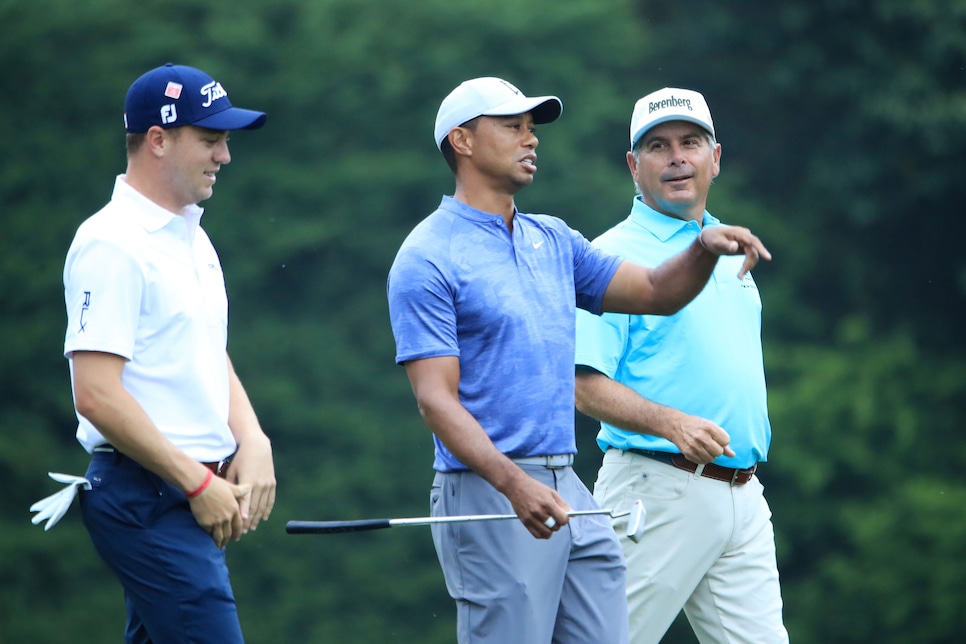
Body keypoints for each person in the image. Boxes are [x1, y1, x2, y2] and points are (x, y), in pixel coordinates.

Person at [386, 77, 771, 643]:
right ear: (463, 141)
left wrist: (701, 249)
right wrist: (513, 484)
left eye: (532, 128)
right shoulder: (426, 256)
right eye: (513, 126)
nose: (531, 139)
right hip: (487, 485)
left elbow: (656, 293)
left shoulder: (553, 240)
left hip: (566, 482)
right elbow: (435, 400)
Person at [62, 63, 277, 644]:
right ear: (157, 139)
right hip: (147, 496)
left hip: (177, 493)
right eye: (211, 139)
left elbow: (205, 348)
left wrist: (252, 438)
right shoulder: (111, 243)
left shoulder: (191, 234)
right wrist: (197, 484)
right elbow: (97, 394)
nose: (224, 156)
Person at [574, 87, 788, 643]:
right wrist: (672, 423)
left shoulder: (727, 249)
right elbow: (581, 384)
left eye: (691, 142)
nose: (676, 157)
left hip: (743, 494)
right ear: (633, 166)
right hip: (656, 485)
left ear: (714, 158)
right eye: (657, 146)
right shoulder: (610, 258)